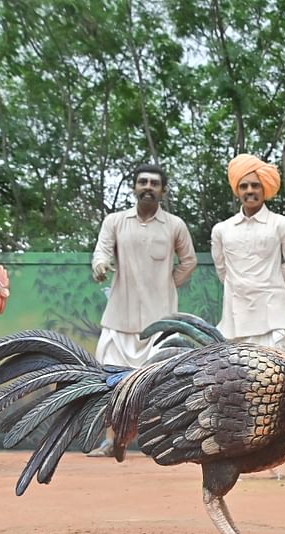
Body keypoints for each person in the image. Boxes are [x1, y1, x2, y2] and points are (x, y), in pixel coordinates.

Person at [88, 163, 197, 457]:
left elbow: (188, 261)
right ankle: (111, 441)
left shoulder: (174, 225)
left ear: (163, 190)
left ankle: (155, 444)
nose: (148, 187)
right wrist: (100, 266)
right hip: (118, 317)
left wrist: (166, 286)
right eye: (142, 182)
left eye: (154, 183)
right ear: (135, 187)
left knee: (158, 383)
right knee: (110, 380)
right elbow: (102, 250)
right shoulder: (115, 221)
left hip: (159, 323)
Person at [210, 154, 285, 351]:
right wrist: (243, 286)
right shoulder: (222, 229)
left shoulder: (282, 224)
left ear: (264, 188)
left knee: (277, 378)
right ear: (237, 190)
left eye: (255, 185)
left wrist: (271, 284)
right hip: (234, 323)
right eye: (244, 186)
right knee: (233, 379)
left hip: (273, 319)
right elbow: (222, 270)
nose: (250, 190)